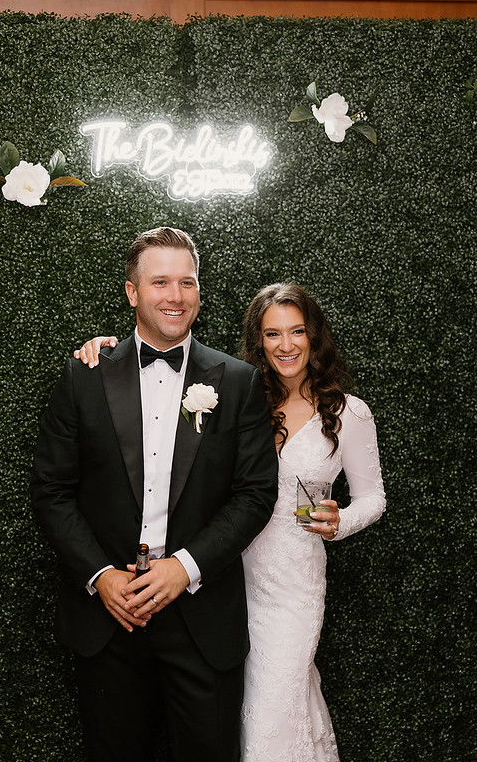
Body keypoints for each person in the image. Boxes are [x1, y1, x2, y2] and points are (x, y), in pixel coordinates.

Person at [75, 281, 386, 762]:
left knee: (272, 710)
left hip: (292, 588)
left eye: (297, 331)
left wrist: (339, 521)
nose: (286, 345)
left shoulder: (348, 414)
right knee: (225, 722)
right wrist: (106, 350)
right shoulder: (237, 391)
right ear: (258, 341)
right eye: (272, 334)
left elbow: (374, 498)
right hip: (221, 581)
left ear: (314, 336)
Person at [30, 227, 278, 762]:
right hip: (109, 621)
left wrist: (184, 567)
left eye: (187, 282)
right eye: (160, 281)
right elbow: (51, 490)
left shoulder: (237, 382)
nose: (175, 295)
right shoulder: (84, 374)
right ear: (132, 292)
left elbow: (256, 493)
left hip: (202, 617)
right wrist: (101, 576)